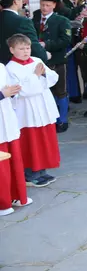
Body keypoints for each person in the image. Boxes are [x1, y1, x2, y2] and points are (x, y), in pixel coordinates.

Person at [6, 34, 60, 187]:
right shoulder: (10, 68)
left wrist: (44, 74)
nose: (25, 51)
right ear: (12, 50)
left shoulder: (37, 60)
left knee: (44, 139)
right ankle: (30, 174)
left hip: (42, 106)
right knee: (31, 141)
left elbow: (53, 78)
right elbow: (23, 90)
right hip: (26, 110)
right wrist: (36, 76)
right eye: (21, 49)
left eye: (27, 48)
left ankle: (42, 170)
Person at [32, 0, 72, 133]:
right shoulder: (35, 18)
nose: (44, 8)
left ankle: (62, 120)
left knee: (60, 91)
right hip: (40, 62)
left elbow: (66, 40)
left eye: (47, 5)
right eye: (42, 4)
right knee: (46, 91)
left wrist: (47, 44)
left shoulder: (62, 20)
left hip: (57, 60)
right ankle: (51, 119)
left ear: (54, 5)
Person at [0, 63, 31, 216]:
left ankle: (16, 195)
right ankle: (2, 203)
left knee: (14, 161)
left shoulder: (1, 67)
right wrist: (1, 94)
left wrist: (13, 92)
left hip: (6, 119)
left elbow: (8, 90)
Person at [0, 0, 49, 64]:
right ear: (15, 1)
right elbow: (33, 46)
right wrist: (44, 55)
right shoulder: (22, 21)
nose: (22, 0)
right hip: (17, 65)